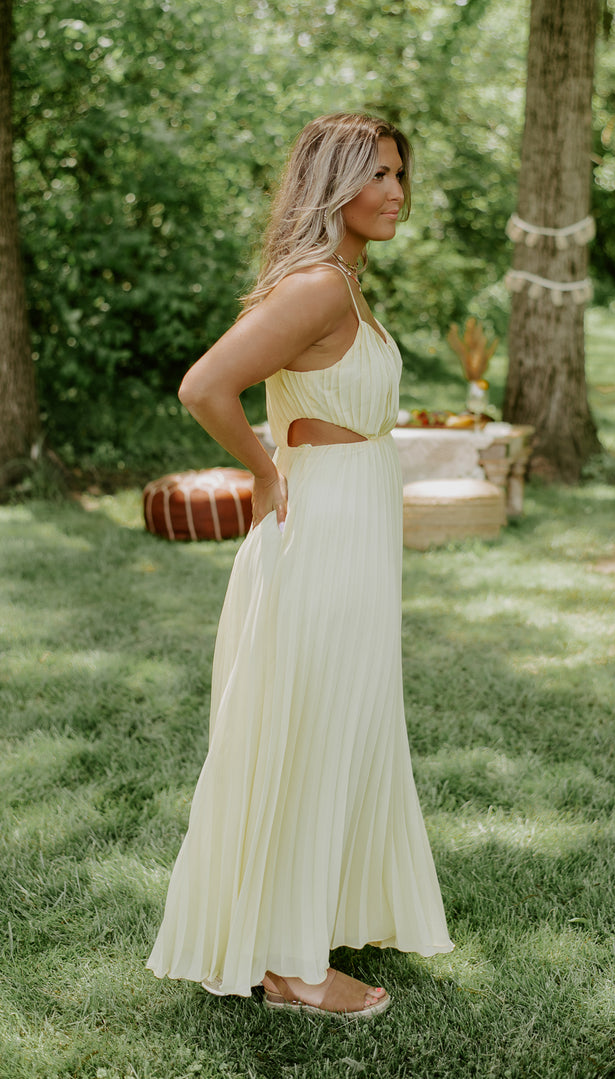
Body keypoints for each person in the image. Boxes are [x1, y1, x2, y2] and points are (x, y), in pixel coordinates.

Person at [146, 112, 453, 1018]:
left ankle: (310, 914)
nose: (397, 191)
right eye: (378, 175)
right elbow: (205, 385)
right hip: (321, 533)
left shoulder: (345, 283)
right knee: (312, 732)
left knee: (340, 726)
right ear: (335, 184)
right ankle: (289, 966)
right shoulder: (319, 286)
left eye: (400, 173)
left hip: (354, 528)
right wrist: (264, 468)